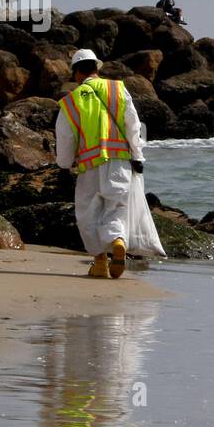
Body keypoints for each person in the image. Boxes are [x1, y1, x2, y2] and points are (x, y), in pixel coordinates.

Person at [54, 49, 146, 278]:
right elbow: (133, 125)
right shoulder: (118, 89)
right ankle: (117, 241)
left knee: (88, 214)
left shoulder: (71, 101)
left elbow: (65, 137)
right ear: (97, 67)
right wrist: (138, 155)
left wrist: (64, 165)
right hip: (120, 162)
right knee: (115, 208)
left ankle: (100, 262)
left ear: (76, 72)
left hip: (90, 165)